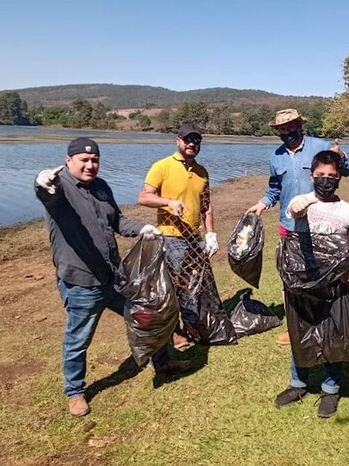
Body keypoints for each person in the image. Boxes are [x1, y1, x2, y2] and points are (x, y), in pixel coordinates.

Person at [35, 137, 191, 417]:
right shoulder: (59, 188)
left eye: (94, 160)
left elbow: (117, 221)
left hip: (114, 276)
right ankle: (75, 392)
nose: (90, 165)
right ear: (68, 160)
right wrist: (40, 181)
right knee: (78, 338)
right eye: (83, 160)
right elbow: (46, 193)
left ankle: (163, 361)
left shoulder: (102, 187)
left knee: (148, 314)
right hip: (81, 282)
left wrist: (142, 228)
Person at [246, 108, 349, 345]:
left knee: (321, 277)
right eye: (282, 128)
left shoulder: (319, 146)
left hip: (319, 225)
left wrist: (341, 155)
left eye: (291, 126)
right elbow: (274, 188)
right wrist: (262, 204)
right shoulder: (276, 156)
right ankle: (295, 328)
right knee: (291, 279)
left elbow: (345, 169)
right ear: (277, 131)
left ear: (299, 126)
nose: (287, 131)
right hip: (290, 227)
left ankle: (325, 322)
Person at [274, 150, 349, 418]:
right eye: (320, 176)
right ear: (312, 176)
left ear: (339, 178)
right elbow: (293, 209)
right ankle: (297, 384)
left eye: (331, 176)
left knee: (333, 337)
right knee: (299, 331)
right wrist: (300, 209)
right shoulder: (303, 201)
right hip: (303, 283)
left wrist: (345, 266)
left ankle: (330, 389)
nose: (326, 180)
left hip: (334, 285)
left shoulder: (347, 210)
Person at [138, 123, 218, 349]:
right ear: (178, 141)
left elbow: (206, 206)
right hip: (170, 238)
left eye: (197, 141)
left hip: (195, 239)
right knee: (172, 287)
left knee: (193, 285)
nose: (192, 144)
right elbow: (144, 197)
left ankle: (190, 325)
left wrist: (210, 234)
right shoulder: (162, 166)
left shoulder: (202, 172)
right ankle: (174, 332)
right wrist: (168, 202)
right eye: (188, 140)